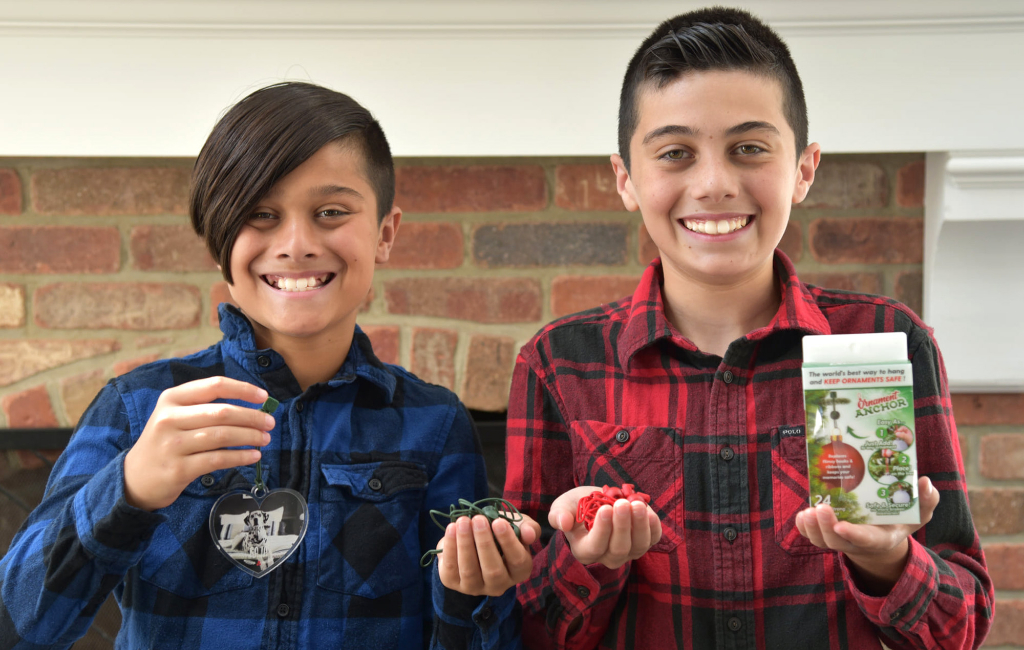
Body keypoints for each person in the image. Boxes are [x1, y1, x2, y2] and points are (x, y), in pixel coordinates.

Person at [503, 8, 993, 650]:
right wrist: (589, 562)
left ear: (804, 170)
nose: (714, 184)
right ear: (626, 179)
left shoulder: (890, 340)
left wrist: (888, 561)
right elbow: (525, 628)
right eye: (675, 153)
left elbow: (960, 629)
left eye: (749, 148)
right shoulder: (557, 364)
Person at [0, 82, 538, 649]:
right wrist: (128, 487)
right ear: (217, 239)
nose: (296, 243)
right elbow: (17, 625)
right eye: (260, 213)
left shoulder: (436, 425)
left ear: (384, 234)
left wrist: (473, 594)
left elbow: (476, 639)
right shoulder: (138, 409)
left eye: (331, 212)